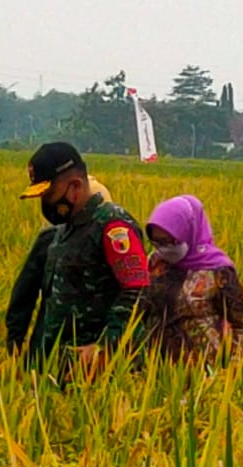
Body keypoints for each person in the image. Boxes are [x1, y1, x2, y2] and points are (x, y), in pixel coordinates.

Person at [14, 143, 151, 374]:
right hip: (58, 362)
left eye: (49, 195)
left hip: (98, 369)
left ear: (75, 186)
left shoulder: (113, 226)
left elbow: (136, 290)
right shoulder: (64, 230)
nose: (45, 204)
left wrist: (106, 347)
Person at [5, 176, 113, 357]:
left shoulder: (112, 242)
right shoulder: (50, 239)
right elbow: (24, 294)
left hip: (93, 351)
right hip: (48, 346)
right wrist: (15, 342)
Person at [142, 195, 243, 362]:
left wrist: (235, 367)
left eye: (169, 241)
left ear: (188, 233)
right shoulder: (155, 263)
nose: (163, 249)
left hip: (205, 369)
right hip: (155, 365)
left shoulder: (218, 271)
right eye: (157, 242)